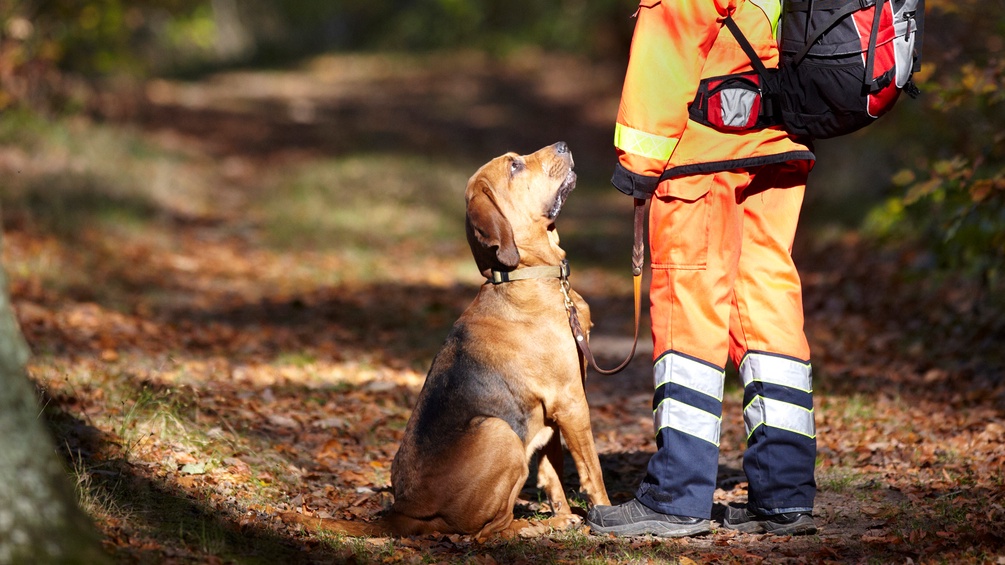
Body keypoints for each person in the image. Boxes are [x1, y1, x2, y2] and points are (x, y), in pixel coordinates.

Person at [585, 0, 818, 537]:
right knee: (767, 307)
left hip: (702, 155)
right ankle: (784, 495)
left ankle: (675, 496)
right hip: (778, 147)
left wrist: (638, 165)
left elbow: (668, 44)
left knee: (688, 309)